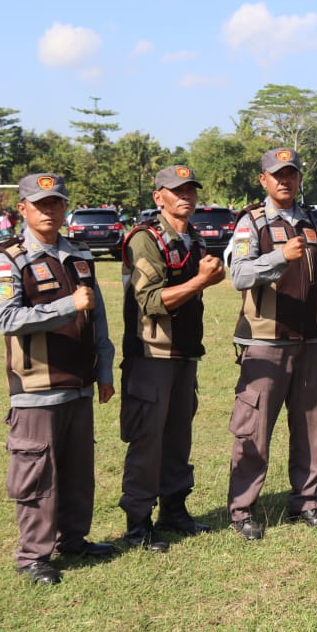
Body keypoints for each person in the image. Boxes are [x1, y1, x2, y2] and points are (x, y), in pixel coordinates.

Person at [0, 173, 116, 585]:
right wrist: (66, 305)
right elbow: (7, 319)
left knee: (78, 469)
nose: (50, 210)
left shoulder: (79, 256)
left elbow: (97, 318)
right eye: (41, 204)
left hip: (78, 382)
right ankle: (33, 556)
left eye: (56, 202)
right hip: (36, 387)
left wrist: (104, 369)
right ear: (22, 208)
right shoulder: (9, 259)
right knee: (37, 473)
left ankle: (74, 540)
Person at [226, 148, 317, 541]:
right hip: (264, 341)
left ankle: (306, 503)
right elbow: (238, 274)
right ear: (263, 180)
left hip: (306, 341)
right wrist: (278, 257)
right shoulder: (250, 222)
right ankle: (242, 510)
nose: (285, 181)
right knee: (253, 428)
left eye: (291, 174)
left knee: (310, 427)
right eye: (277, 175)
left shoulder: (310, 221)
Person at [119, 165, 226, 552]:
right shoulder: (145, 239)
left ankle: (174, 510)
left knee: (178, 438)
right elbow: (150, 300)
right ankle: (138, 524)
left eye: (191, 190)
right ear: (158, 197)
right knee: (148, 442)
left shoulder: (191, 237)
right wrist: (200, 281)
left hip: (183, 354)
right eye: (176, 190)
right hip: (150, 356)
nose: (186, 196)